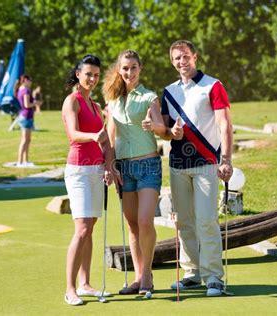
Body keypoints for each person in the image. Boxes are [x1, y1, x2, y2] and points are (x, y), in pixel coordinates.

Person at [159, 40, 233, 297]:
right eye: (177, 58)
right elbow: (166, 130)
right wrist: (172, 132)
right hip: (178, 165)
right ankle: (192, 274)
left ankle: (214, 278)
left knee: (206, 221)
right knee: (185, 223)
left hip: (207, 164)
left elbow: (225, 125)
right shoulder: (168, 91)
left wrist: (227, 159)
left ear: (195, 57)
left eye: (186, 56)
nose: (182, 62)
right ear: (172, 61)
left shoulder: (213, 85)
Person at [103, 49, 165, 295]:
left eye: (134, 68)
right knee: (132, 225)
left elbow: (161, 127)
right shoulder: (112, 100)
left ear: (141, 68)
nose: (129, 72)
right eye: (125, 68)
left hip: (148, 165)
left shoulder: (149, 97)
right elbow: (110, 135)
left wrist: (155, 126)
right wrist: (109, 164)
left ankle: (147, 275)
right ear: (119, 69)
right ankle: (139, 277)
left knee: (144, 220)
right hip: (124, 168)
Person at [61, 54, 114, 306]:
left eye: (95, 74)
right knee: (81, 229)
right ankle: (70, 289)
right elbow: (73, 135)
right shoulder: (72, 101)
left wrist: (108, 164)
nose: (92, 78)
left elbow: (105, 141)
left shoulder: (94, 106)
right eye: (88, 74)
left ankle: (85, 283)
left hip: (95, 171)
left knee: (89, 230)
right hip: (79, 171)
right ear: (78, 74)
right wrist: (95, 136)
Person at [14, 74, 36, 167]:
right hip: (26, 116)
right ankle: (20, 162)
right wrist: (35, 103)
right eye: (30, 80)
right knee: (24, 140)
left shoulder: (20, 90)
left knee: (27, 139)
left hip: (24, 116)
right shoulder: (26, 90)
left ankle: (25, 161)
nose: (31, 82)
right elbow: (27, 105)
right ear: (25, 80)